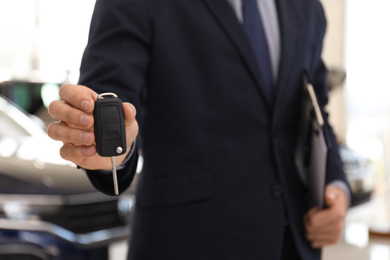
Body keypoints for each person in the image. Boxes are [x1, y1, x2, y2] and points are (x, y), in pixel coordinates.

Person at [47, 0, 350, 259]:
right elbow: (110, 99)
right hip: (189, 240)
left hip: (293, 243)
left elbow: (314, 110)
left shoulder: (308, 6)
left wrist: (336, 185)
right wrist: (109, 143)